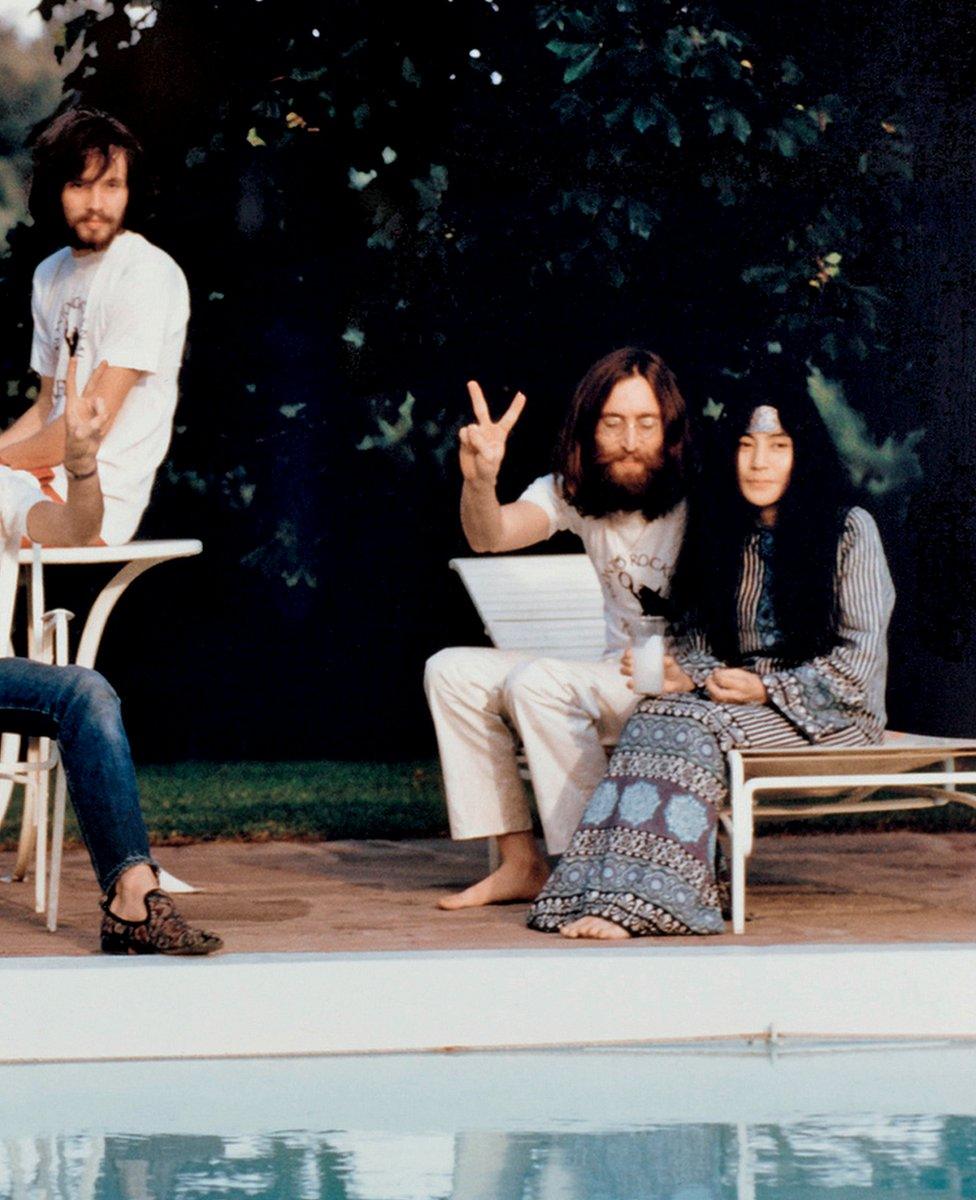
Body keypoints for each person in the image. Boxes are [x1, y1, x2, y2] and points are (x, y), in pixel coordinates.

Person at [527, 387, 895, 939]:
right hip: (733, 702)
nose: (759, 461)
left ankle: (655, 901)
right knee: (652, 715)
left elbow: (861, 658)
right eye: (746, 445)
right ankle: (601, 888)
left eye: (778, 446)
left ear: (803, 453)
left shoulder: (849, 530)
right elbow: (698, 639)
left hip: (832, 713)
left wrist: (764, 687)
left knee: (695, 728)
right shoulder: (722, 531)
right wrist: (687, 676)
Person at [425, 347, 691, 909]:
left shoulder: (701, 495)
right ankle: (523, 864)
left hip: (681, 685)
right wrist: (481, 481)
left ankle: (595, 870)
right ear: (589, 428)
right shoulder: (574, 491)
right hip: (614, 677)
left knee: (538, 680)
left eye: (646, 423)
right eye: (612, 422)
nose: (628, 439)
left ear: (669, 428)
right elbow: (490, 536)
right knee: (450, 670)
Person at [0, 356, 221, 954]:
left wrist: (80, 467)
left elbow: (73, 527)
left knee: (85, 690)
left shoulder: (4, 482)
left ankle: (133, 902)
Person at [0, 107, 190, 545]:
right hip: (37, 480)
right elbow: (48, 407)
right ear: (55, 190)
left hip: (95, 498)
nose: (96, 204)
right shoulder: (50, 274)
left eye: (111, 185)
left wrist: (5, 462)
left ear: (130, 191)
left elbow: (84, 429)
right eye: (78, 185)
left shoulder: (144, 272)